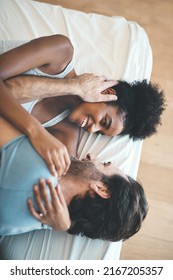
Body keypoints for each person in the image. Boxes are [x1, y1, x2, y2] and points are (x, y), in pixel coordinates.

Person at [0, 35, 166, 177]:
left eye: (100, 133)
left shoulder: (66, 135)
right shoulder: (60, 52)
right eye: (104, 121)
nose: (92, 129)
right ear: (106, 92)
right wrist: (74, 87)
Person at [0, 114, 148, 242]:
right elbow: (69, 131)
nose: (91, 156)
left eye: (104, 164)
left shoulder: (40, 171)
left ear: (102, 189)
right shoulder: (47, 221)